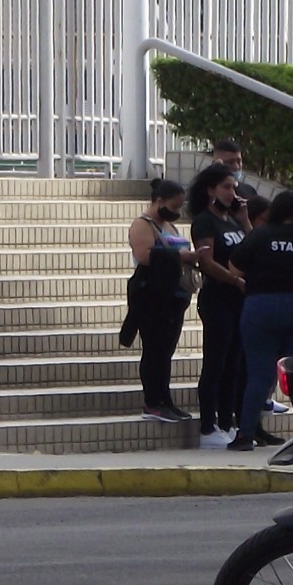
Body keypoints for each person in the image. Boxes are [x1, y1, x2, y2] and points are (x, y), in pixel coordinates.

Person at [226, 191, 293, 451]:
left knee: (260, 374)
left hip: (262, 305)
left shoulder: (260, 235)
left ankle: (245, 434)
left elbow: (234, 269)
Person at [186, 163, 250, 447]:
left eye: (234, 187)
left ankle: (227, 422)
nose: (231, 192)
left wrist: (245, 219)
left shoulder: (233, 220)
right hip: (217, 298)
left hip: (239, 300)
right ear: (211, 190)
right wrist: (234, 280)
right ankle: (208, 426)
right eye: (226, 187)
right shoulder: (205, 221)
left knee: (235, 363)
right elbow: (206, 261)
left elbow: (252, 245)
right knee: (216, 361)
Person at [123, 179, 194, 422]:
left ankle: (165, 399)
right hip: (153, 296)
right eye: (173, 206)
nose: (176, 212)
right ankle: (152, 401)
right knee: (154, 350)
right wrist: (180, 255)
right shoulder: (143, 225)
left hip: (174, 296)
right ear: (159, 201)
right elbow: (144, 256)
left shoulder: (170, 227)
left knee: (166, 350)